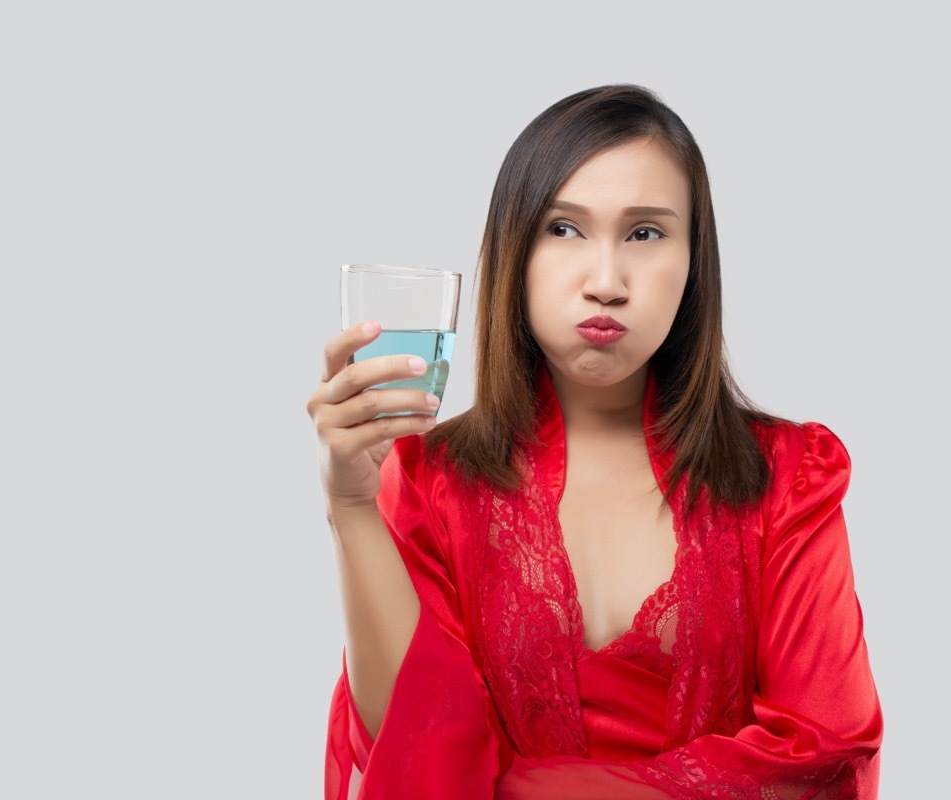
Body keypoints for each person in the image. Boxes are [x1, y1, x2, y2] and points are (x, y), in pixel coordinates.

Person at [307, 84, 883, 799]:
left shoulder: (790, 477)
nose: (606, 282)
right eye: (564, 229)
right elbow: (414, 745)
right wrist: (353, 506)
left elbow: (824, 754)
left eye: (645, 232)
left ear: (694, 262)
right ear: (514, 252)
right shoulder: (431, 482)